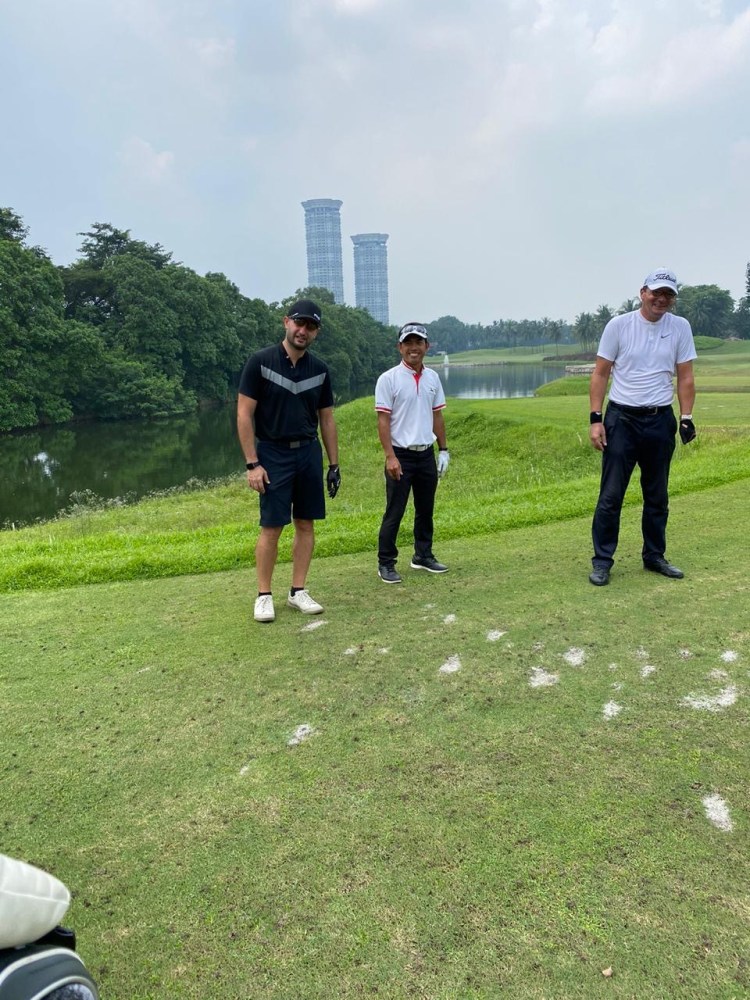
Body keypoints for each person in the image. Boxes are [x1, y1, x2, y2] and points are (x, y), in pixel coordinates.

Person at [588, 268, 697, 586]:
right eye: (656, 292)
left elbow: (685, 376)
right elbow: (600, 373)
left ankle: (654, 556)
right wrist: (596, 419)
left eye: (668, 295)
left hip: (660, 420)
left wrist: (686, 417)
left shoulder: (680, 327)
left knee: (657, 495)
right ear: (643, 293)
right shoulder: (619, 325)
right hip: (622, 420)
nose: (662, 299)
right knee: (611, 496)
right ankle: (602, 561)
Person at [237, 298, 340, 622]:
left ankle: (298, 591)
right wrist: (252, 463)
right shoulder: (260, 362)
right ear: (286, 322)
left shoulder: (320, 369)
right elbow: (244, 414)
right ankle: (263, 595)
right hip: (272, 452)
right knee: (272, 526)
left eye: (311, 326)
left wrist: (334, 465)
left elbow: (327, 419)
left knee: (306, 523)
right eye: (299, 323)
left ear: (316, 332)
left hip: (308, 452)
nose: (303, 330)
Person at [375, 322, 450, 583]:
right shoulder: (389, 379)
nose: (413, 348)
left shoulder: (433, 378)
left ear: (427, 346)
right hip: (400, 454)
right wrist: (390, 456)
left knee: (425, 509)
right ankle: (386, 562)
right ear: (400, 347)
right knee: (394, 511)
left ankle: (423, 555)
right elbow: (383, 421)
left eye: (418, 342)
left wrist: (443, 449)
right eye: (408, 343)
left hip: (425, 453)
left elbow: (437, 415)